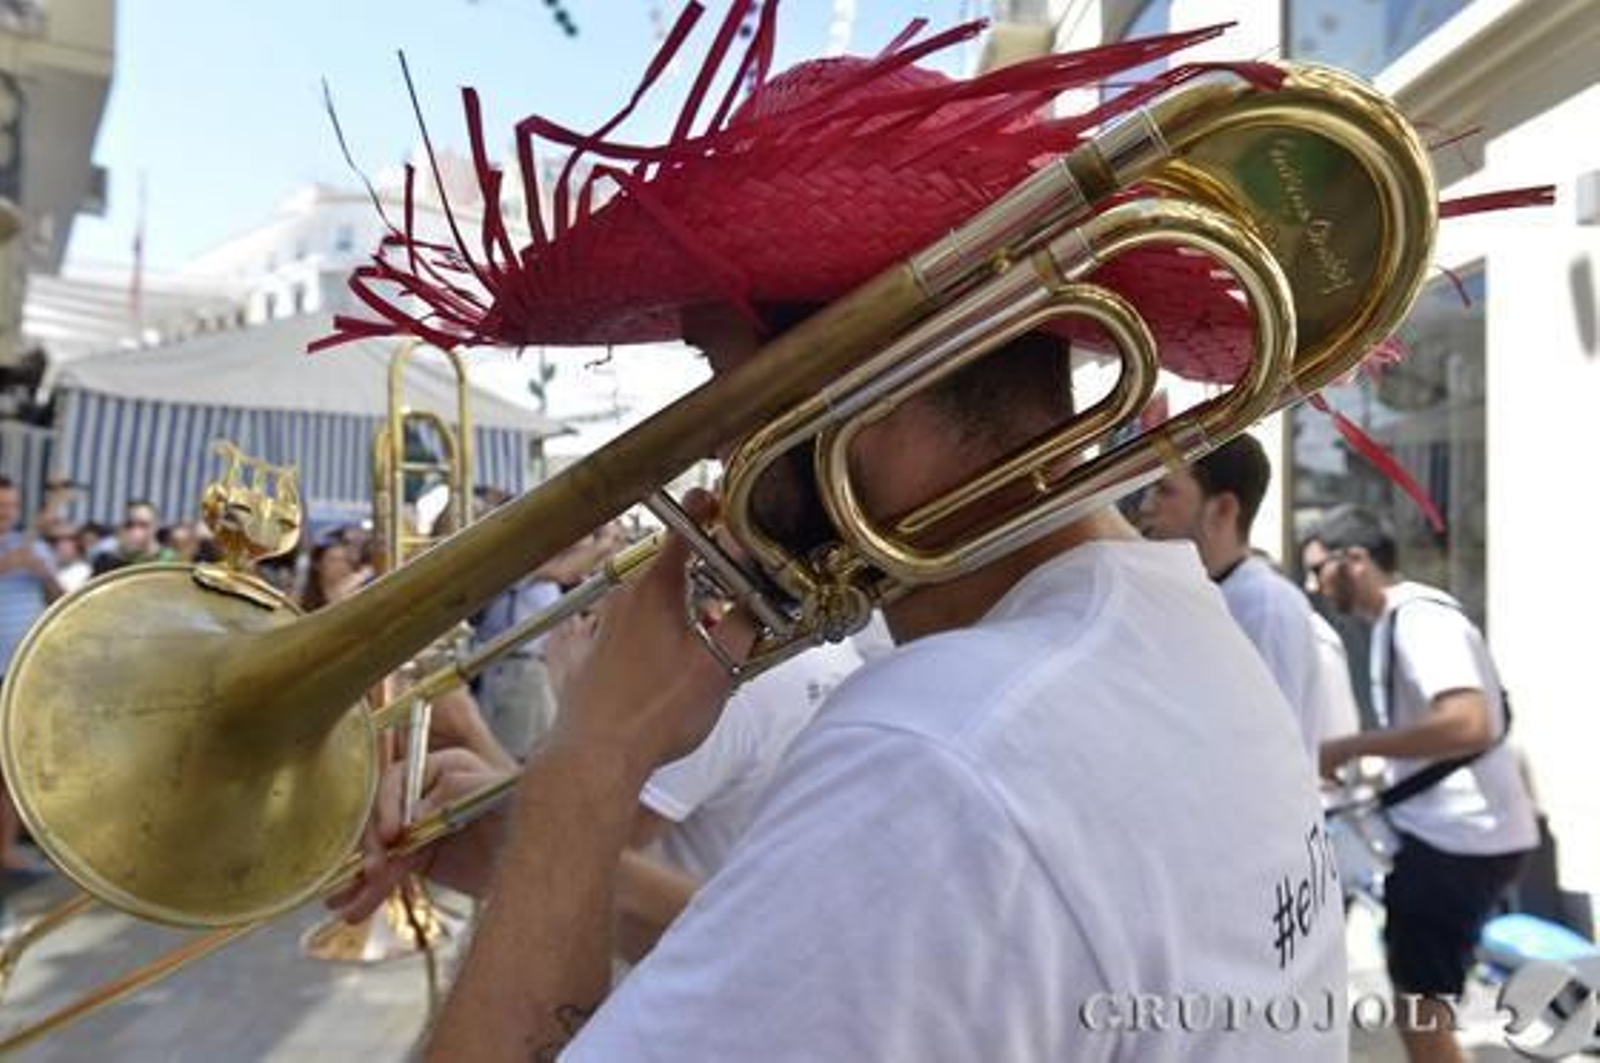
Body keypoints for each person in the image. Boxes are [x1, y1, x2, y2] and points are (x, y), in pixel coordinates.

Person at [326, 15, 1346, 1060]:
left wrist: (587, 764)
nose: (714, 449)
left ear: (861, 376)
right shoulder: (1179, 641)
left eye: (719, 376)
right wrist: (545, 850)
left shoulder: (939, 754)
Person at [1313, 505, 1537, 1063]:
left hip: (1457, 844)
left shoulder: (1419, 620)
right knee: (1421, 1000)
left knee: (1420, 1007)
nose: (1313, 584)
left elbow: (1468, 723)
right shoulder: (1400, 621)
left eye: (1319, 568)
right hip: (1453, 840)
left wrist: (1351, 746)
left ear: (1356, 559)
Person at [1138, 433, 1334, 756]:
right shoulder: (1206, 595)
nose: (1146, 507)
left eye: (1165, 491)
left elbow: (1267, 749)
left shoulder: (1266, 607)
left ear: (1222, 509)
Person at [0, 476, 61, 885]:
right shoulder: (18, 550)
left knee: (12, 766)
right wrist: (7, 566)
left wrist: (45, 574)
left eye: (11, 506)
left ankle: (5, 851)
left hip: (21, 674)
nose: (6, 513)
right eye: (0, 506)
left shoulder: (35, 548)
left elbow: (61, 601)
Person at [89, 499, 170, 576]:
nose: (136, 530)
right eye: (129, 524)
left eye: (144, 525)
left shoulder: (169, 560)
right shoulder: (107, 561)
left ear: (157, 525)